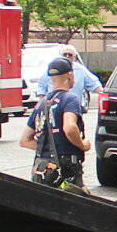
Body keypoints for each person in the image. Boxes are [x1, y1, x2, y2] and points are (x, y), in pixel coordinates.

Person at [19, 55, 90, 192]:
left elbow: (24, 140)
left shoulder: (41, 104)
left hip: (41, 168)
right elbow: (69, 128)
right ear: (69, 75)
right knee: (72, 206)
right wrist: (82, 145)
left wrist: (48, 150)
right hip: (65, 169)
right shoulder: (70, 99)